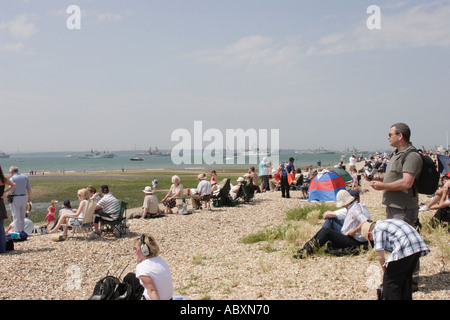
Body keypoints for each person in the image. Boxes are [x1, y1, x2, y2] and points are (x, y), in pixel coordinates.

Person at [367, 123, 423, 288]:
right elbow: (394, 175)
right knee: (396, 243)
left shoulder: (412, 156)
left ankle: (410, 280)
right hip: (394, 206)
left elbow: (407, 182)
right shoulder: (397, 154)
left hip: (404, 208)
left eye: (390, 134)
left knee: (405, 244)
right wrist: (379, 177)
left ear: (400, 136)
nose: (388, 137)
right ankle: (402, 277)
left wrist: (382, 186)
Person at [361, 219, 430, 300]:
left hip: (406, 248)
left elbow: (380, 256)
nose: (374, 242)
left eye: (372, 240)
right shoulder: (387, 222)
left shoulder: (377, 229)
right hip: (417, 246)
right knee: (405, 278)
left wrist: (385, 271)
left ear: (369, 234)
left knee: (390, 282)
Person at [294, 189, 371, 259]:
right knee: (328, 226)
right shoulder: (353, 206)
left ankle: (307, 250)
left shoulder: (354, 209)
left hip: (354, 240)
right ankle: (309, 246)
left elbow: (366, 221)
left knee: (326, 231)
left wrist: (353, 231)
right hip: (351, 237)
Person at [127, 234, 174, 300]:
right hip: (169, 298)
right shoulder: (161, 261)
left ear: (144, 249)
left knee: (129, 279)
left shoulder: (143, 267)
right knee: (131, 277)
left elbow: (152, 291)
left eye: (135, 249)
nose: (134, 251)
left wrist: (139, 265)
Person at [7, 166, 31, 233]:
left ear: (12, 172)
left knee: (15, 215)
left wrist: (6, 193)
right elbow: (29, 188)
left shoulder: (12, 178)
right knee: (22, 215)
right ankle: (22, 231)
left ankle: (17, 231)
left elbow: (11, 191)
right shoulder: (25, 177)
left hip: (16, 197)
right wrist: (29, 197)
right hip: (24, 197)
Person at [0, 165, 16, 254]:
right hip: (0, 203)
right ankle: (2, 249)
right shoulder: (3, 178)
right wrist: (5, 192)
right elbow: (14, 185)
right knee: (1, 228)